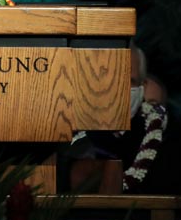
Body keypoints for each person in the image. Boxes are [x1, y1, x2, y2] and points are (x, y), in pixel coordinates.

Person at [58, 42, 169, 194]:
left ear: (142, 87)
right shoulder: (66, 132)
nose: (119, 89)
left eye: (129, 81)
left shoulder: (159, 140)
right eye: (111, 78)